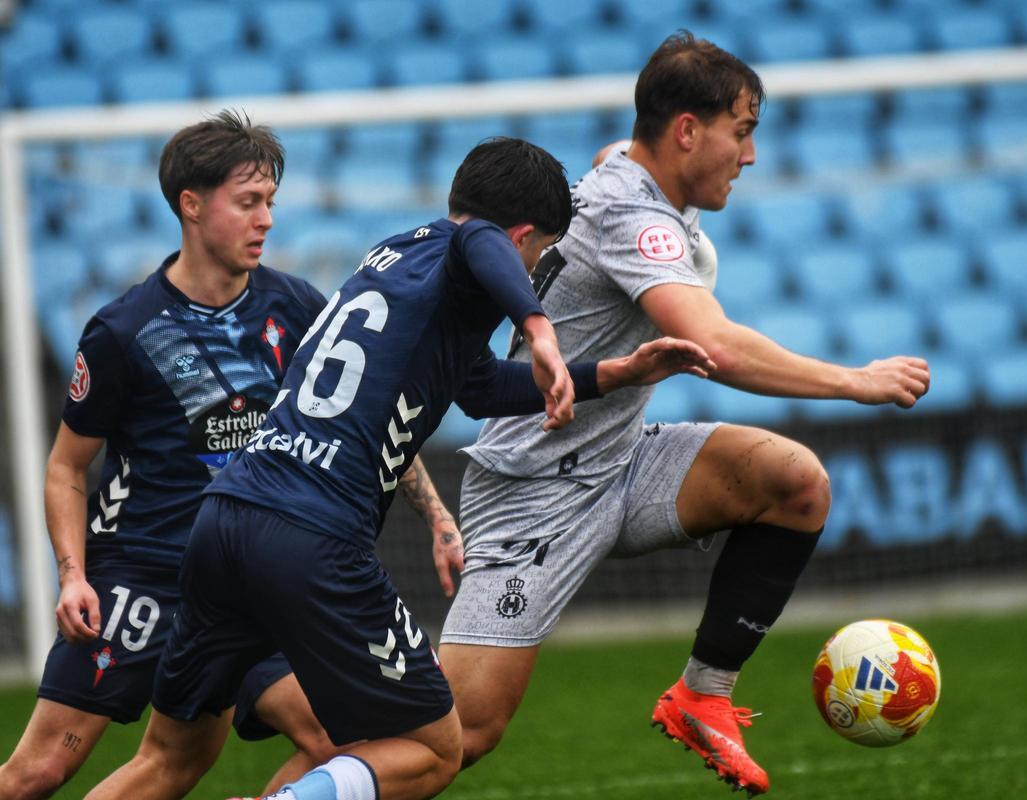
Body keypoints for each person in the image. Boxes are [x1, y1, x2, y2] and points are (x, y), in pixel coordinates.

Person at [83, 136, 715, 800]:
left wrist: (612, 373)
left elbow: (481, 389)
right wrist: (539, 327)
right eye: (538, 253)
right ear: (523, 236)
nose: (531, 271)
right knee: (434, 748)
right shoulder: (473, 251)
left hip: (227, 520)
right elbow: (483, 243)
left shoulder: (401, 255)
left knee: (167, 761)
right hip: (313, 536)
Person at [436, 32, 931, 797]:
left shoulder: (631, 174)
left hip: (620, 461)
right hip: (534, 487)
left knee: (794, 482)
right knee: (456, 737)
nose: (752, 155)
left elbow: (612, 154)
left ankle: (703, 694)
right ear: (687, 131)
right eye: (744, 130)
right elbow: (716, 348)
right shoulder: (638, 218)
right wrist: (856, 381)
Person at [0, 109, 460, 800]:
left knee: (337, 742)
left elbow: (359, 422)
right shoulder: (123, 331)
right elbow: (66, 468)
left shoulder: (297, 307)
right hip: (143, 577)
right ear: (191, 205)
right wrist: (72, 575)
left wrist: (436, 516)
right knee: (41, 771)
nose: (266, 219)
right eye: (248, 202)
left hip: (246, 574)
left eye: (271, 202)